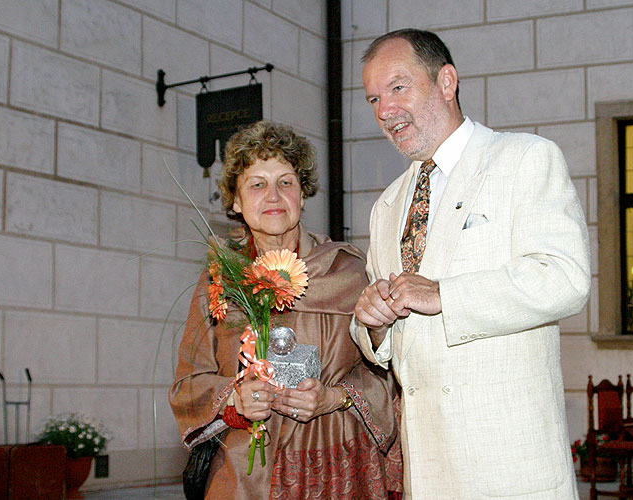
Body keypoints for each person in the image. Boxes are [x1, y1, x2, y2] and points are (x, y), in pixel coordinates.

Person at [350, 29, 590, 500]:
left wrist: (444, 294)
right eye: (374, 98)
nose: (384, 111)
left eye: (398, 88)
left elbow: (565, 277)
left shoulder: (523, 159)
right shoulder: (387, 205)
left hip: (510, 469)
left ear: (446, 81)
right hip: (428, 472)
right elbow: (389, 342)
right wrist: (373, 324)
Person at [170, 121, 402, 500]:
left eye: (286, 182)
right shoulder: (219, 281)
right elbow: (187, 386)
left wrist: (335, 397)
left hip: (340, 462)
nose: (273, 195)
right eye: (257, 184)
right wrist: (235, 398)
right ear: (236, 201)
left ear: (303, 194)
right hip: (249, 474)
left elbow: (388, 374)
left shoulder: (350, 271)